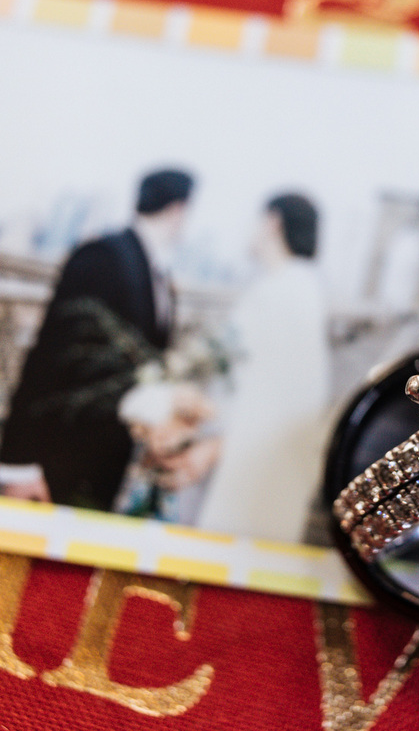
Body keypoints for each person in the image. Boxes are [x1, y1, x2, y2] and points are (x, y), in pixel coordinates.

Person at [0, 168, 204, 510]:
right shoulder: (104, 255)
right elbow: (49, 356)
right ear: (177, 209)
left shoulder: (157, 275)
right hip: (57, 462)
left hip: (103, 469)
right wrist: (18, 464)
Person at [198, 193, 331, 542]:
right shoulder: (296, 287)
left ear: (273, 221)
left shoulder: (285, 290)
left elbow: (263, 383)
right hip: (257, 455)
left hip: (251, 457)